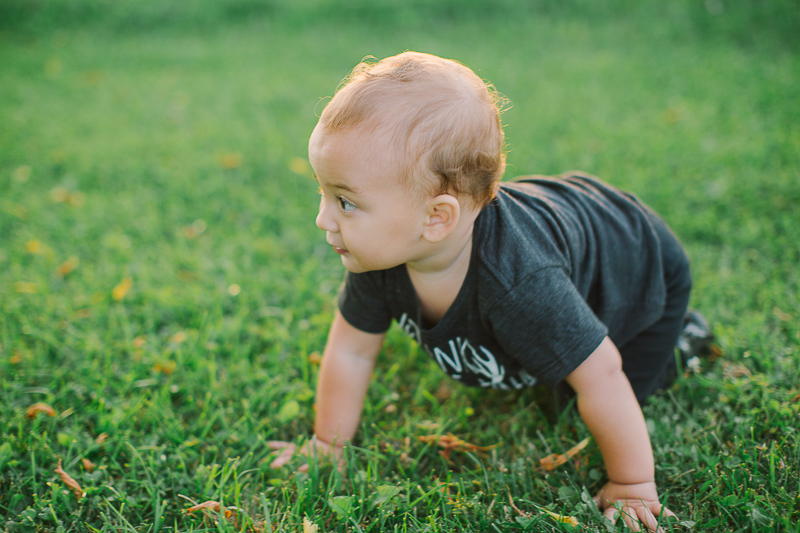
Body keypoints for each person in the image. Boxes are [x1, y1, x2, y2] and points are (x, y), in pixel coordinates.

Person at [273, 51, 711, 531]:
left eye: (345, 202)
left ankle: (685, 338)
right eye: (323, 192)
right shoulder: (380, 257)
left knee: (582, 393)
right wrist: (329, 444)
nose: (322, 219)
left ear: (437, 218)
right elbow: (351, 352)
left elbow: (603, 374)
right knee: (549, 370)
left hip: (640, 267)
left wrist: (632, 486)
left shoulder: (520, 283)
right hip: (568, 237)